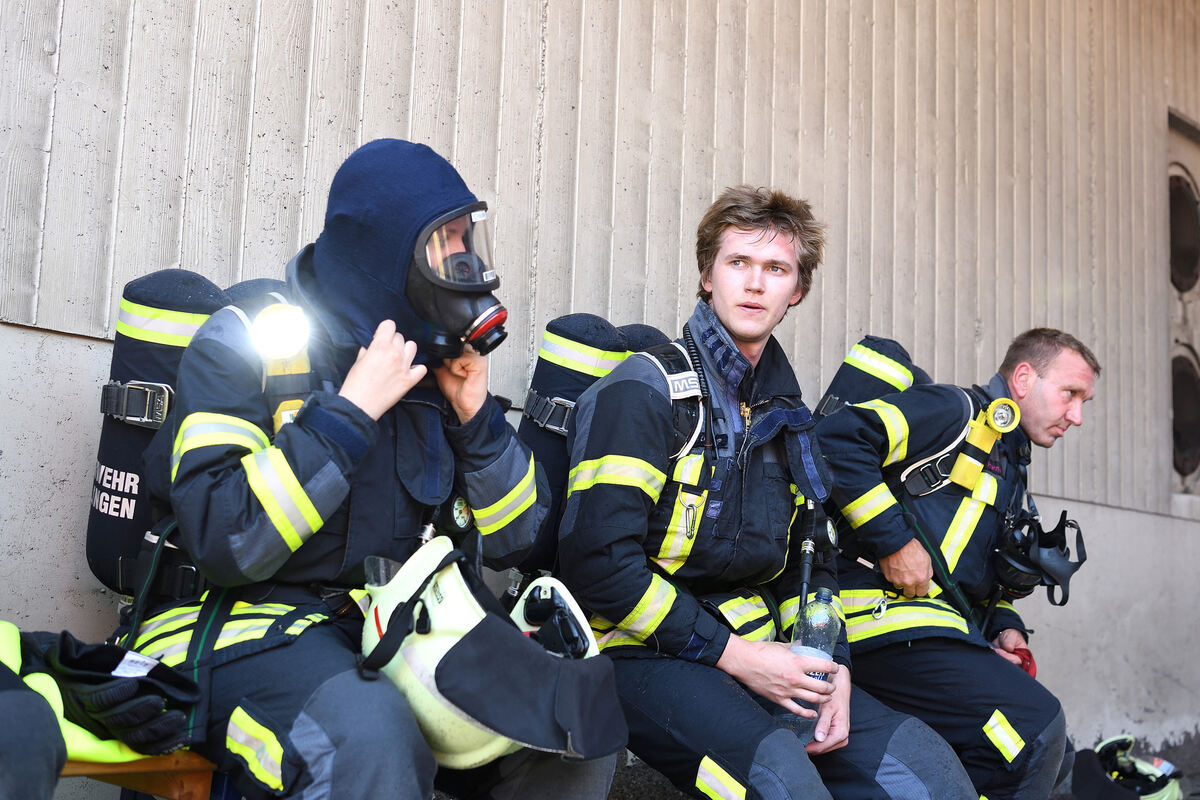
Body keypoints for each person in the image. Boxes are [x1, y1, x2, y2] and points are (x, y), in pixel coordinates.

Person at [125, 139, 617, 800]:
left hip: (395, 631)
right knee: (372, 738)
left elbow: (518, 540)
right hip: (235, 629)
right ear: (383, 254)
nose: (465, 262)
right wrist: (350, 412)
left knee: (570, 732)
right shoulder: (250, 334)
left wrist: (478, 418)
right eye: (444, 243)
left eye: (466, 239)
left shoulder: (435, 365)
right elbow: (225, 539)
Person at [556, 184, 977, 800]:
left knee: (930, 776)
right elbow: (598, 567)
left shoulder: (789, 418)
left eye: (776, 269)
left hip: (754, 652)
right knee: (783, 782)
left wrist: (830, 670)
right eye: (738, 263)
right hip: (632, 650)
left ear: (796, 290)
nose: (755, 284)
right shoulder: (642, 392)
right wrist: (739, 658)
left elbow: (814, 563)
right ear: (707, 276)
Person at [815, 328, 1100, 799]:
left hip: (932, 631)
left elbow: (969, 572)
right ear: (1024, 379)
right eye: (1071, 394)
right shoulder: (955, 411)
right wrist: (894, 542)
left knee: (1059, 755)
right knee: (1033, 731)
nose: (1077, 416)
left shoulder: (1010, 466)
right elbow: (837, 440)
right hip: (873, 621)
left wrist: (1005, 626)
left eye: (1084, 401)